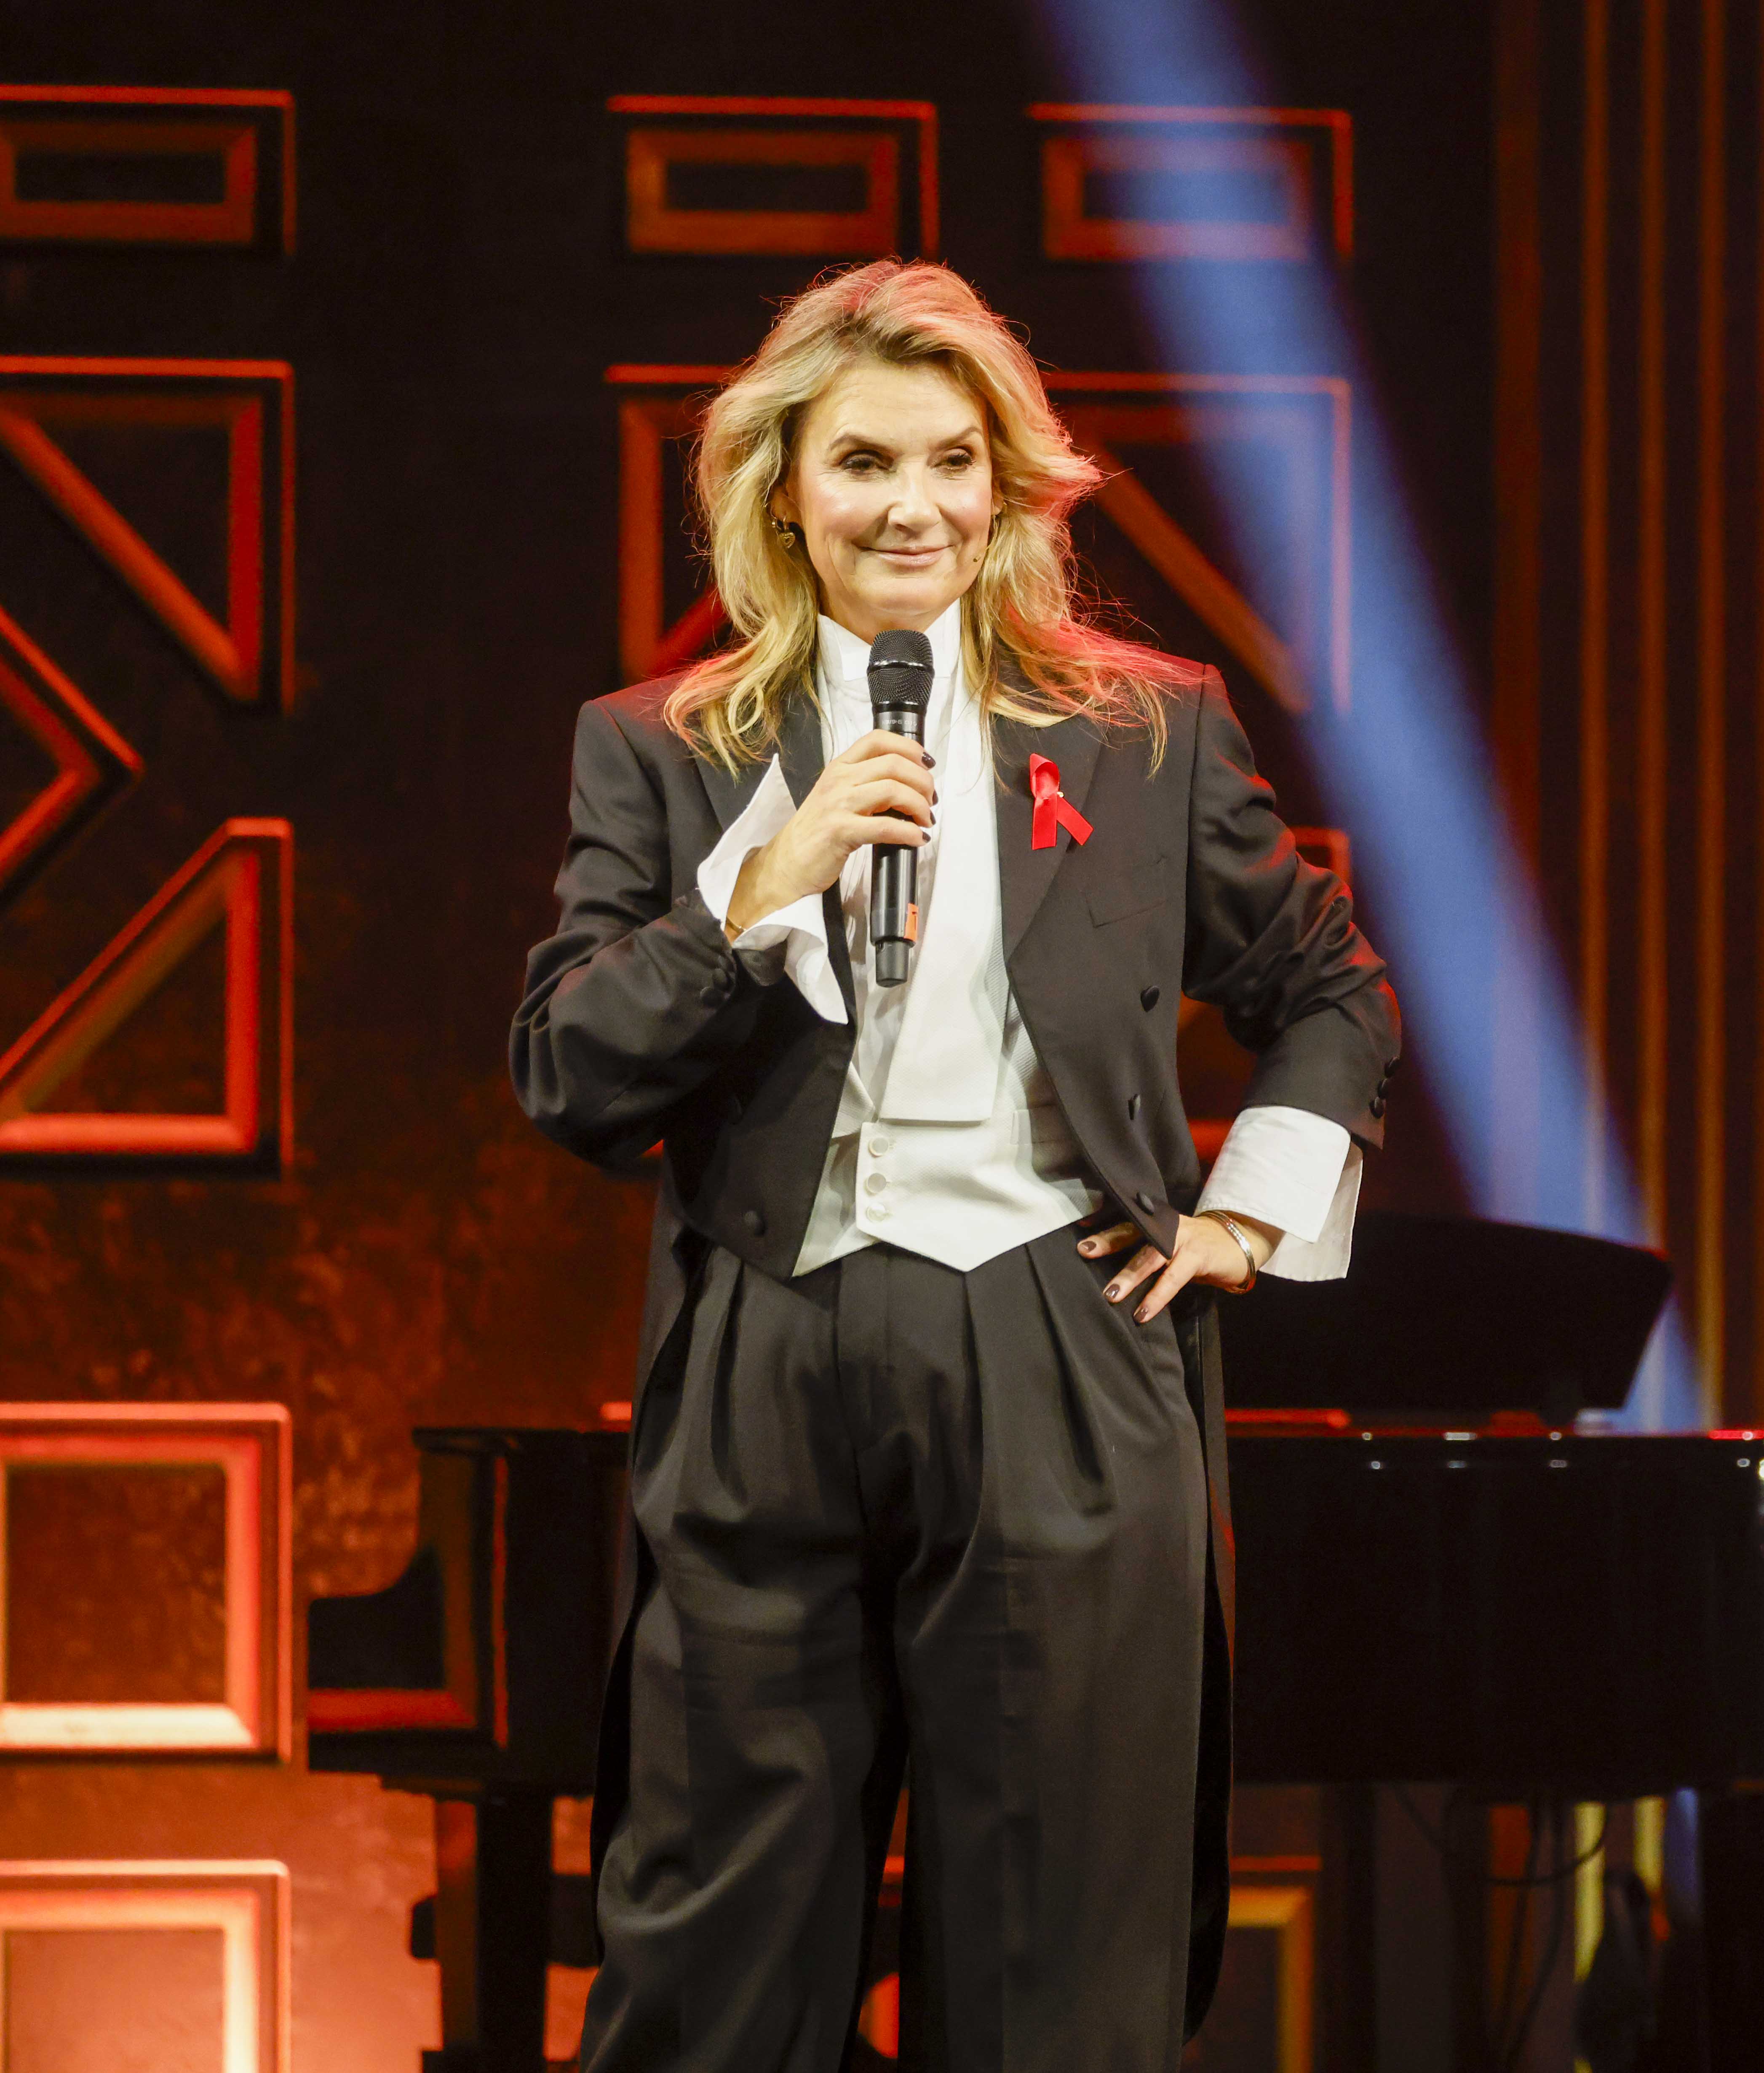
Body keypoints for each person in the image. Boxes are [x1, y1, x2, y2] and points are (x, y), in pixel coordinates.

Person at [512, 259, 1396, 2070]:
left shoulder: (1144, 730)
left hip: (1059, 1336)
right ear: (783, 490)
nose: (909, 504)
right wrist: (751, 894)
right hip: (767, 1343)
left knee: (1059, 1943)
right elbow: (569, 1072)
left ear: (1007, 488)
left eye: (950, 460)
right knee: (715, 1939)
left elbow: (1327, 989)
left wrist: (1246, 1215)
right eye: (861, 462)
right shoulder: (668, 745)